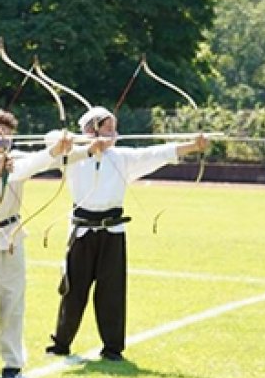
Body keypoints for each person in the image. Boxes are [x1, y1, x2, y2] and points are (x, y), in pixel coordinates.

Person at [43, 106, 208, 361]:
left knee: (112, 290)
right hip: (82, 231)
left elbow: (157, 152)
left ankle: (112, 348)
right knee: (73, 289)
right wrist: (87, 144)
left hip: (113, 230)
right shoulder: (72, 156)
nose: (113, 134)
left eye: (114, 129)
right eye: (107, 128)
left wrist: (193, 145)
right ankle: (61, 343)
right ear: (90, 130)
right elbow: (51, 139)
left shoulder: (121, 157)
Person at [0, 109, 72, 378]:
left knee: (12, 301)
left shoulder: (17, 161)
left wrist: (60, 149)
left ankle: (12, 360)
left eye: (8, 134)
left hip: (12, 236)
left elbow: (38, 161)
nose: (3, 138)